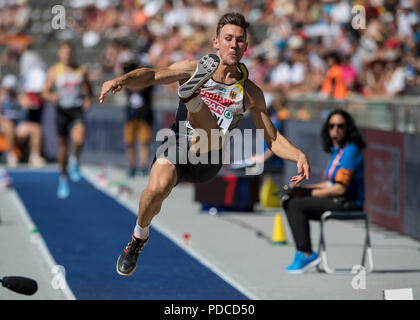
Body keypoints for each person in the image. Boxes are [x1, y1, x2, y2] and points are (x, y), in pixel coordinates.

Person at [99, 12, 311, 277]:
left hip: (209, 154)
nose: (234, 45)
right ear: (216, 43)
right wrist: (122, 80)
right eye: (229, 39)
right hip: (178, 143)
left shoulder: (251, 93)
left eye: (240, 40)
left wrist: (298, 154)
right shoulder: (193, 67)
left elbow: (272, 138)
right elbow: (153, 76)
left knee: (206, 135)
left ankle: (193, 101)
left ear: (246, 47)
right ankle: (137, 239)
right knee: (155, 190)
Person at [282, 108, 365, 274]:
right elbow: (329, 183)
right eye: (332, 126)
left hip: (348, 203)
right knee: (289, 199)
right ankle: (303, 253)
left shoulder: (350, 151)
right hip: (336, 199)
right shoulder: (337, 152)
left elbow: (340, 188)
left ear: (348, 128)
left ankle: (306, 254)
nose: (336, 129)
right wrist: (303, 189)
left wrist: (308, 194)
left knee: (296, 205)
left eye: (340, 126)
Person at [42, 41, 93, 199]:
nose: (67, 55)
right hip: (62, 111)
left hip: (76, 110)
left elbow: (89, 89)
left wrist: (88, 100)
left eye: (69, 52)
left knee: (79, 139)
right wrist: (52, 96)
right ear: (60, 54)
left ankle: (74, 161)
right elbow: (44, 92)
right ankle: (62, 178)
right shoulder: (54, 71)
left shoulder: (81, 70)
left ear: (73, 54)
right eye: (64, 52)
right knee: (63, 147)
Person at [122, 61, 154, 177]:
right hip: (131, 114)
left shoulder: (149, 81)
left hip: (144, 115)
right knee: (129, 142)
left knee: (144, 142)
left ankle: (143, 166)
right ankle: (131, 166)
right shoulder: (130, 80)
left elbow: (139, 88)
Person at [0, 74, 24, 167]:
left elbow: (26, 105)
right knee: (8, 125)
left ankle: (34, 156)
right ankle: (10, 154)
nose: (9, 90)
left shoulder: (19, 97)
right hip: (4, 126)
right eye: (8, 88)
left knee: (35, 128)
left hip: (18, 126)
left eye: (11, 88)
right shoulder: (2, 98)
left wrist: (20, 95)